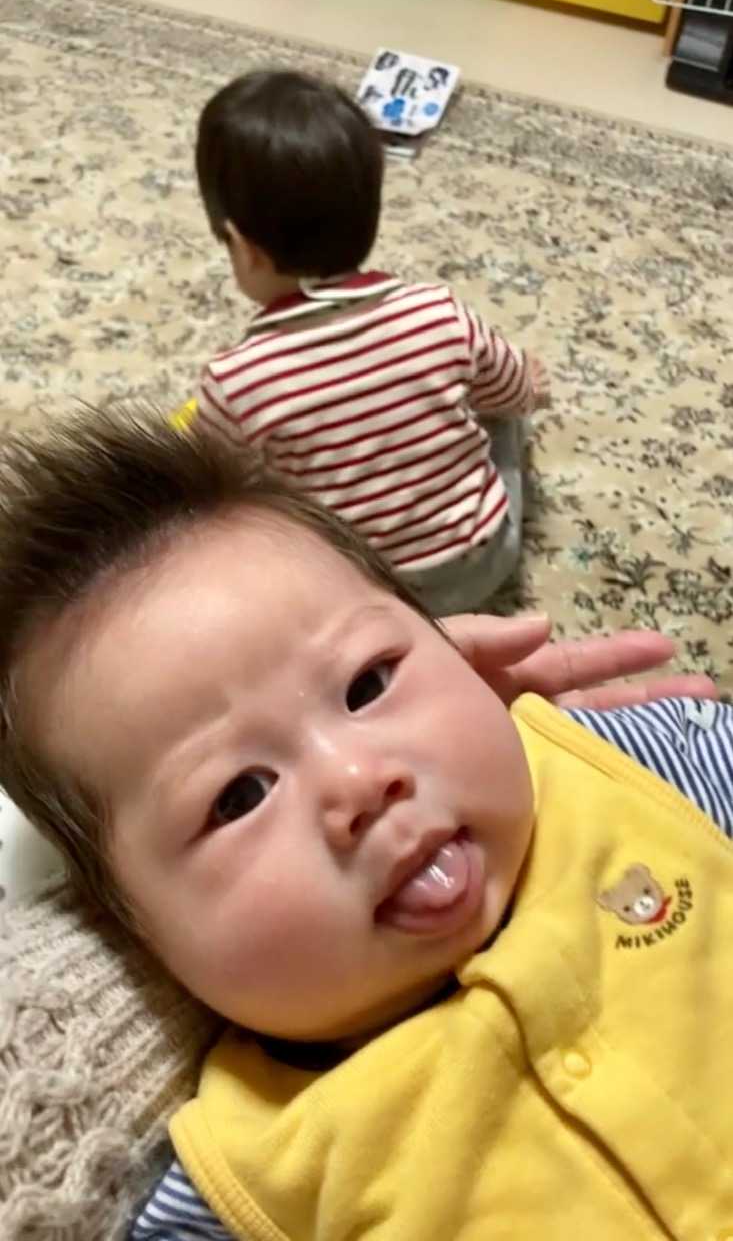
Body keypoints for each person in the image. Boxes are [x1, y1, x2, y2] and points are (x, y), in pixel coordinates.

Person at [0, 411, 729, 1241]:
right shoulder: (247, 1175)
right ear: (130, 931)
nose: (359, 783)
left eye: (368, 684)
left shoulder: (637, 765)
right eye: (238, 796)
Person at [177, 68, 551, 615]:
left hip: (356, 594)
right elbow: (513, 393)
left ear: (242, 245)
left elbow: (207, 486)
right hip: (481, 565)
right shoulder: (437, 312)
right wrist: (528, 383)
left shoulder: (236, 381)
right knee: (505, 402)